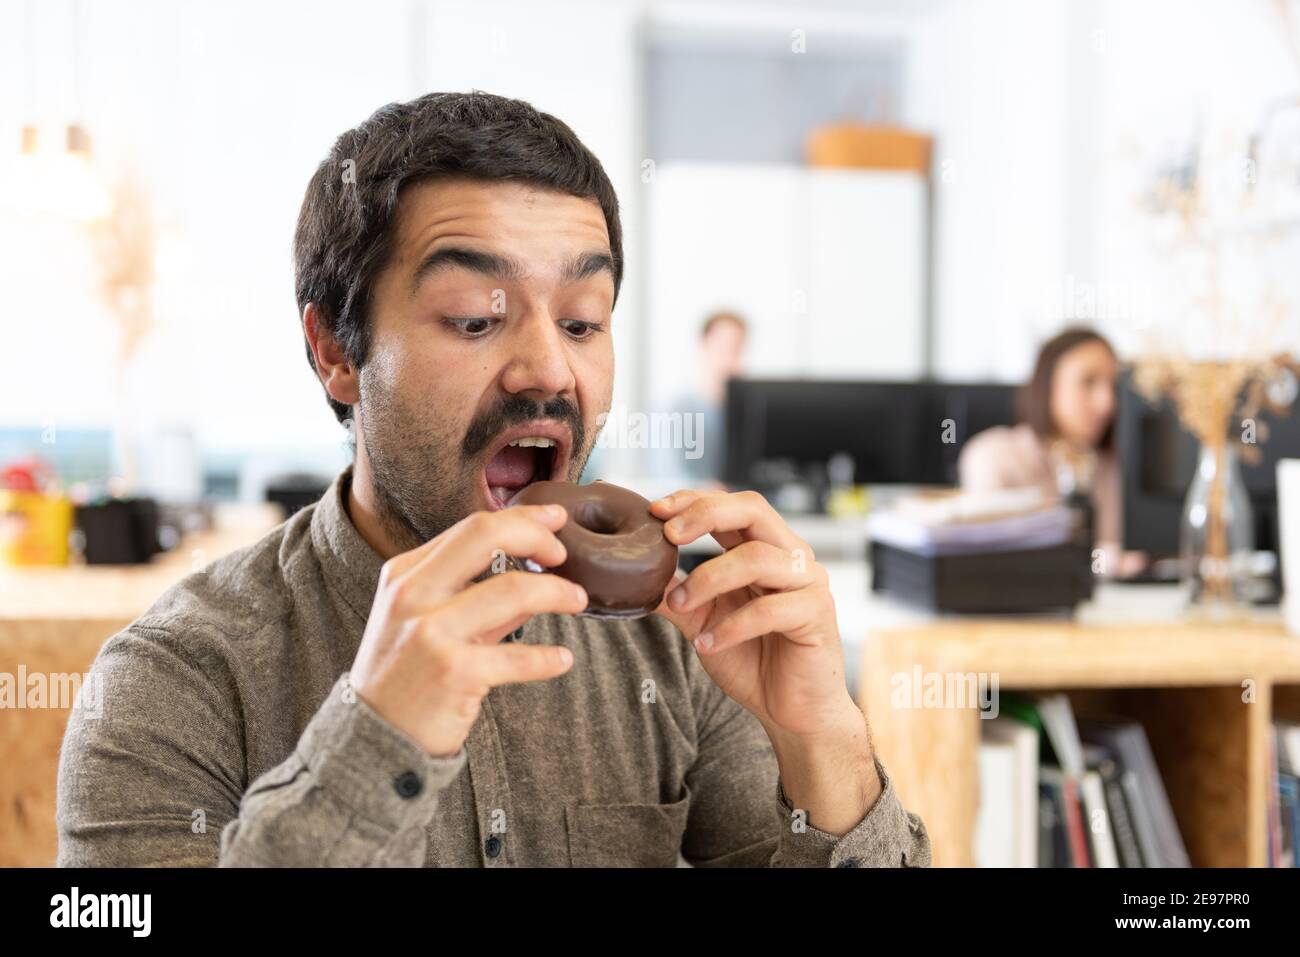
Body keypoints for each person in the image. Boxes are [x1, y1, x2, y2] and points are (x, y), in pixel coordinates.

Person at [56, 92, 929, 867]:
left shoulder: (685, 645)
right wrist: (372, 743)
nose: (548, 369)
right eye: (477, 317)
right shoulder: (169, 682)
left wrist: (826, 740)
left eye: (584, 321)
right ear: (335, 352)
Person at [958, 326, 1146, 579]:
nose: (1107, 403)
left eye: (1113, 387)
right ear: (1048, 385)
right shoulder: (993, 456)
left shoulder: (1119, 470)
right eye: (1088, 382)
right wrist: (1106, 561)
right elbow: (1000, 556)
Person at [659, 310, 748, 486]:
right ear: (704, 345)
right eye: (723, 348)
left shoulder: (745, 413)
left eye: (736, 349)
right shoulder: (677, 409)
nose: (730, 359)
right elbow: (666, 476)